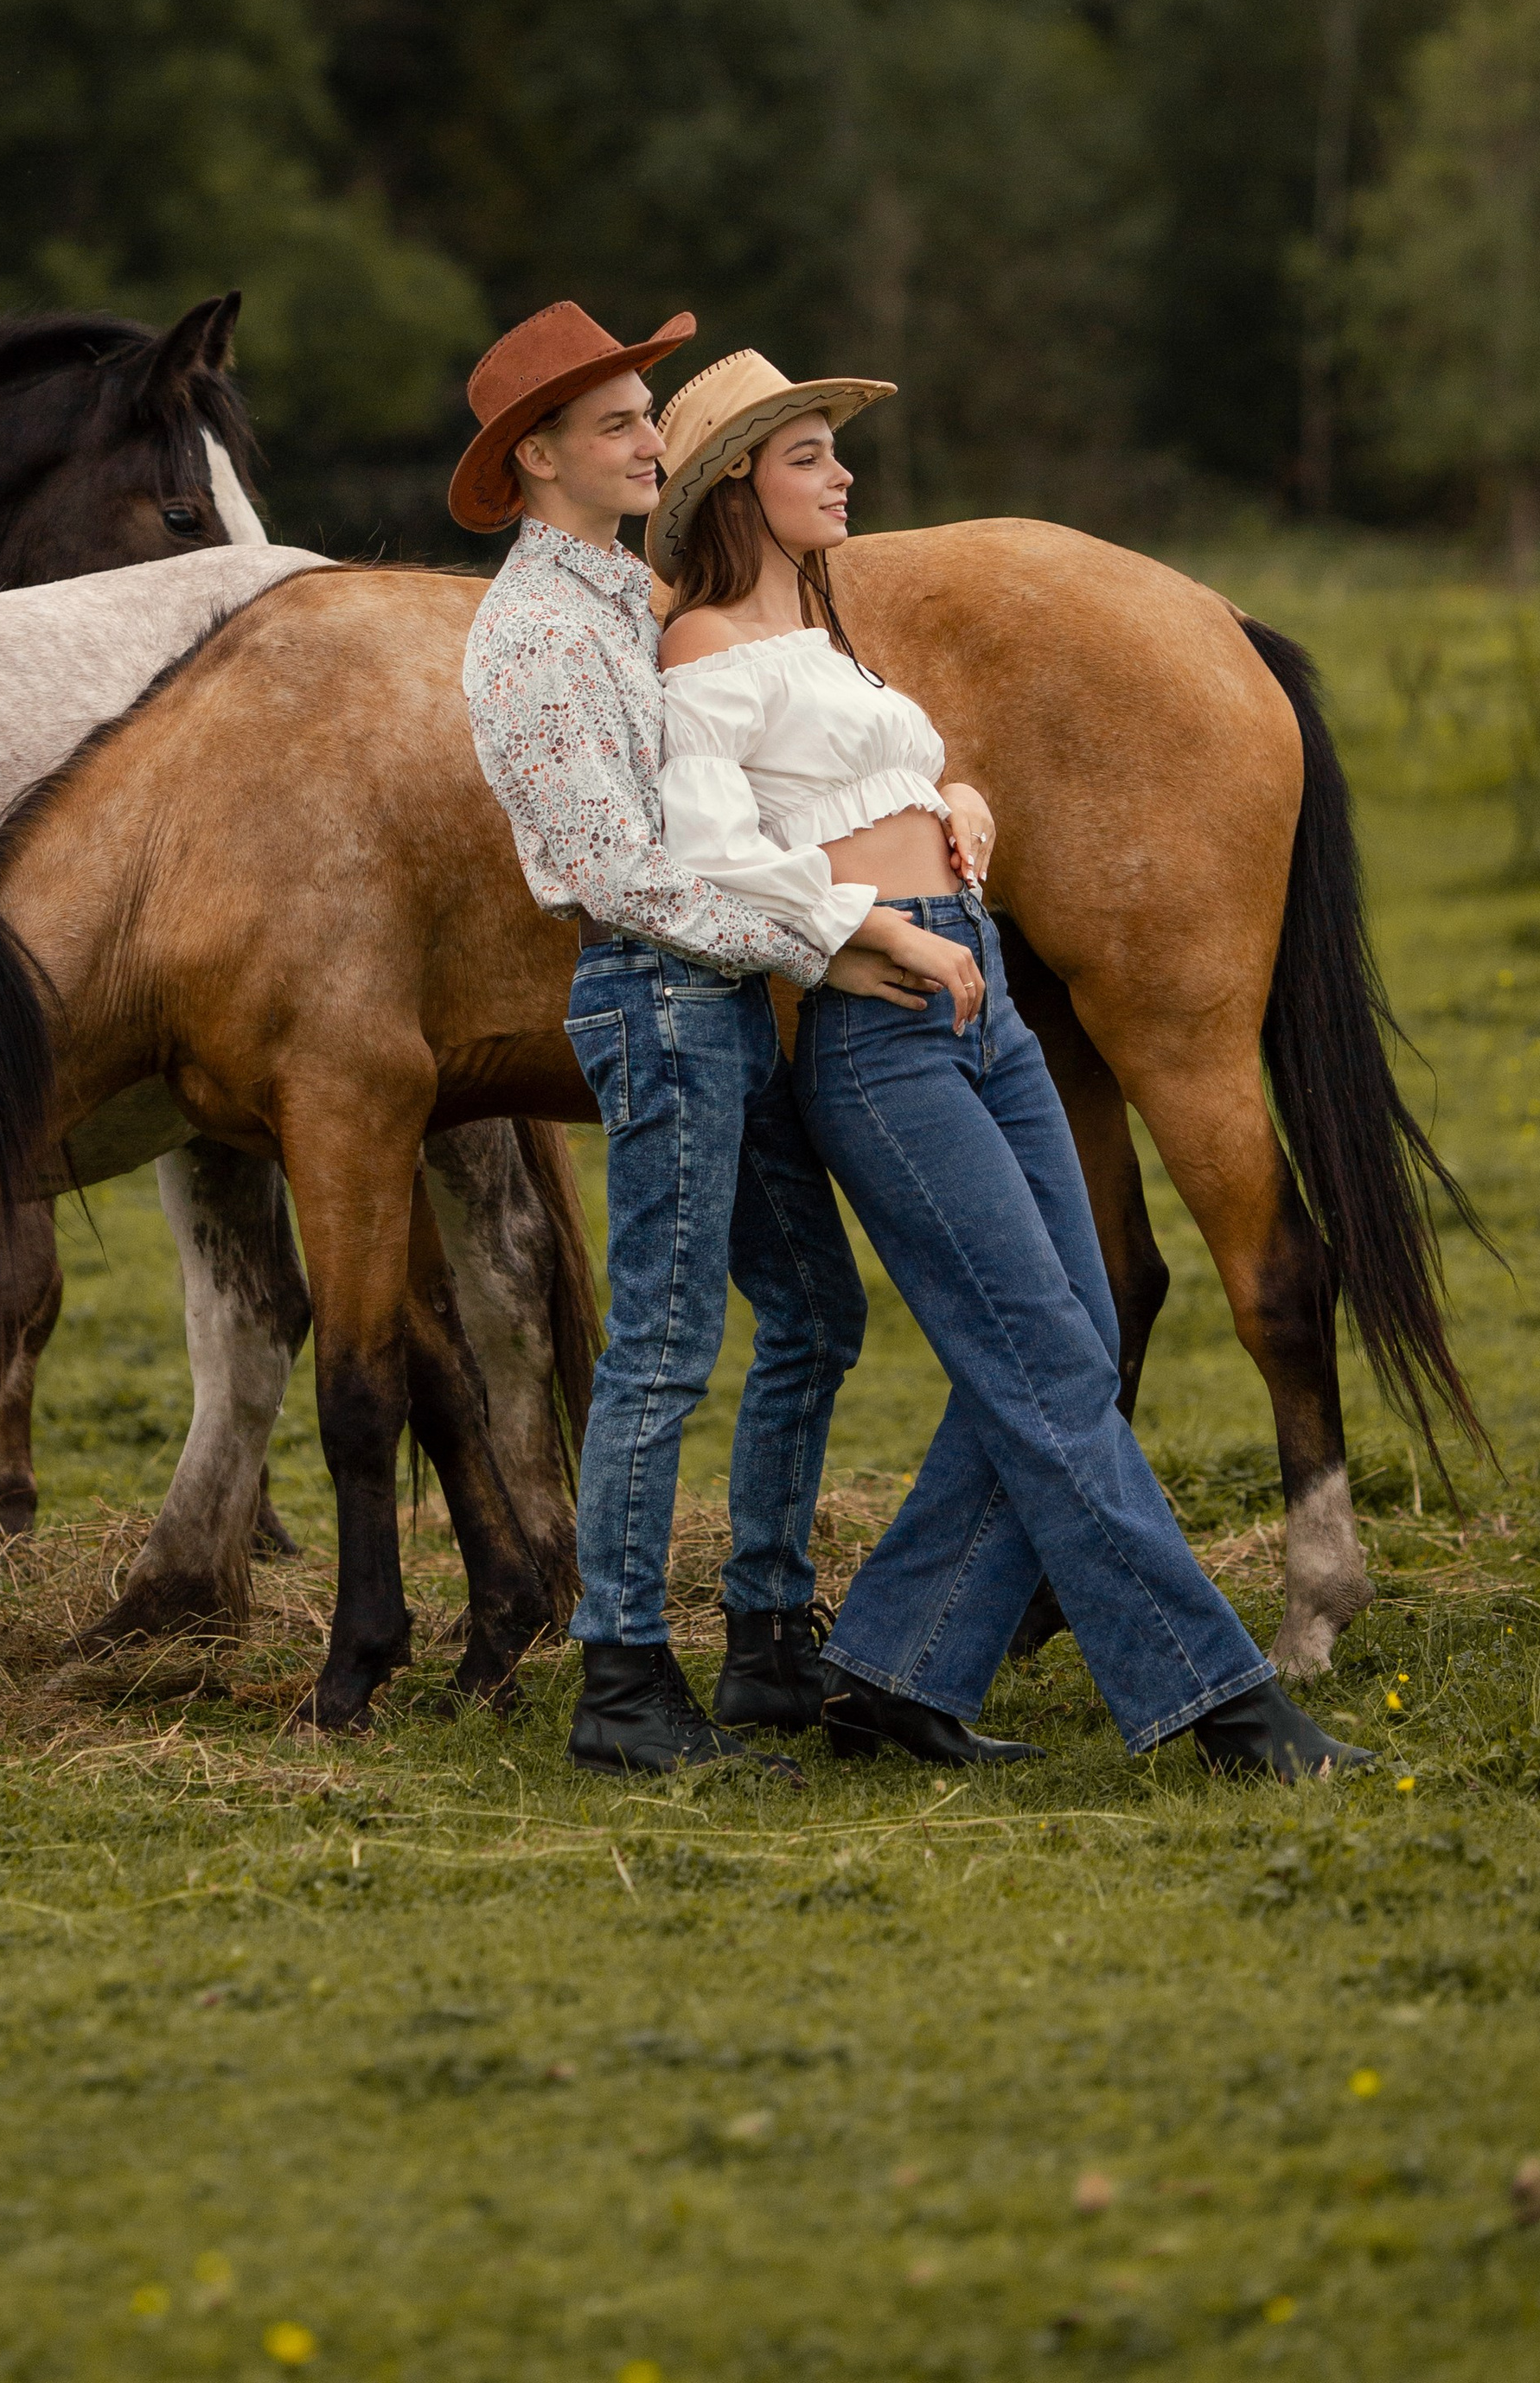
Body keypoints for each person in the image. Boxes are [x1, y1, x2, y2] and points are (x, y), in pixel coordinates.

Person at [649, 348, 1373, 1785]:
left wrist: (957, 796)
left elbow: (879, 776)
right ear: (739, 480)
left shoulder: (823, 623)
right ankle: (1222, 1703)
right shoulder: (702, 647)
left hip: (979, 984)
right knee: (1046, 1356)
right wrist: (869, 933)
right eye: (808, 453)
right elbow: (709, 855)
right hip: (888, 1017)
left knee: (1089, 1329)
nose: (842, 471)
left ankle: (893, 1669)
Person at [453, 303, 890, 1778]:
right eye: (623, 423)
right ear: (538, 458)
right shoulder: (528, 636)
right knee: (661, 1342)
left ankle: (767, 1639)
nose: (657, 441)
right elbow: (626, 873)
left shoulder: (630, 605)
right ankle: (623, 1678)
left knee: (820, 1311)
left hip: (725, 998)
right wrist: (834, 932)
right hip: (658, 998)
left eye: (651, 415)